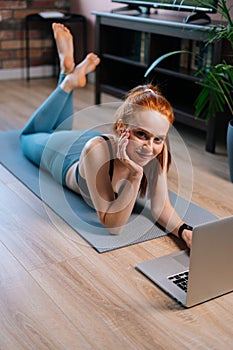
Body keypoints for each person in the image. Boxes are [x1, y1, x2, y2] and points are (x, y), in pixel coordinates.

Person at [20, 23, 193, 248]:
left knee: (58, 128)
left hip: (90, 144)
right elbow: (114, 226)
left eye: (158, 138)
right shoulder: (97, 151)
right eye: (142, 134)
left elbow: (161, 207)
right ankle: (67, 81)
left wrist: (184, 231)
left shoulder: (156, 151)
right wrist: (134, 175)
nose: (149, 147)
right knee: (29, 136)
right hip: (67, 154)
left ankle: (68, 72)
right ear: (123, 129)